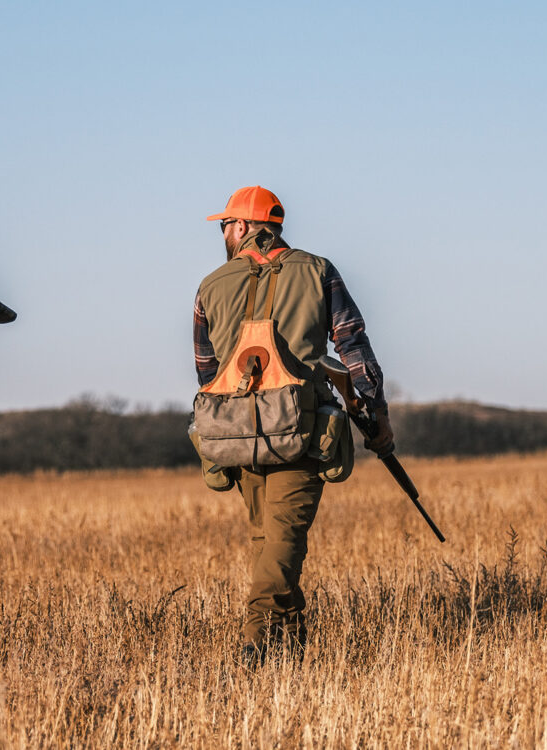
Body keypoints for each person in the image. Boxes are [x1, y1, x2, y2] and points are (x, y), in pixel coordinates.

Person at [192, 185, 393, 666]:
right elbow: (353, 347)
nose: (223, 233)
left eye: (225, 225)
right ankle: (259, 639)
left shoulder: (209, 286)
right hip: (299, 428)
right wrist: (377, 413)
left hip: (233, 434)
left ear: (242, 227)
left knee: (270, 538)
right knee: (280, 540)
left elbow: (206, 371)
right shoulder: (319, 271)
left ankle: (291, 649)